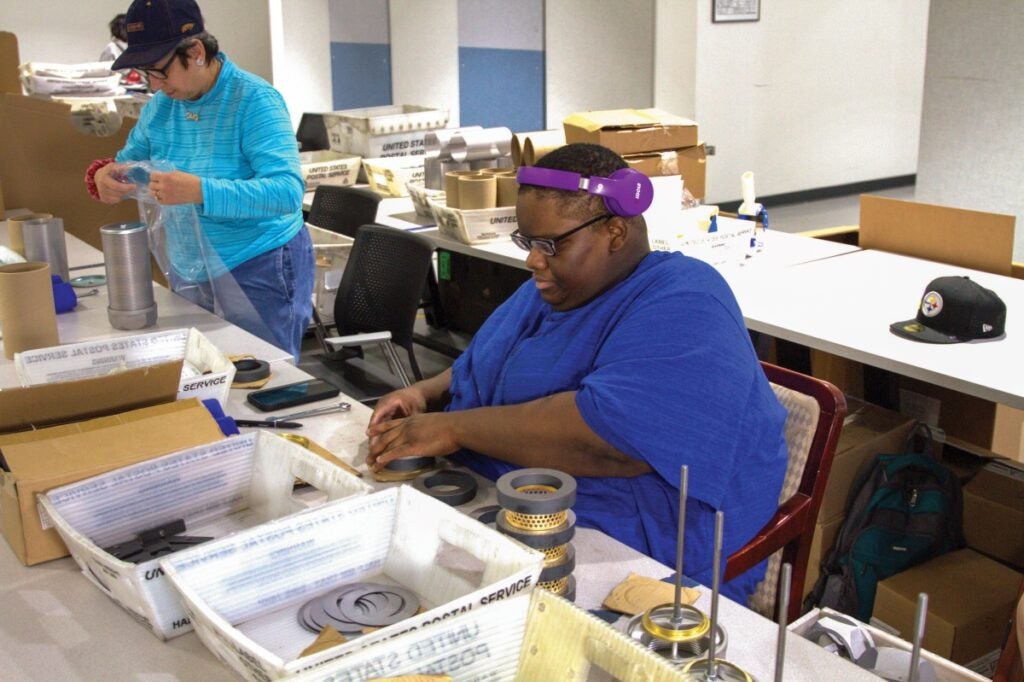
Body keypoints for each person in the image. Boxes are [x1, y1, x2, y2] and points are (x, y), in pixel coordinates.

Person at [366, 143, 789, 602]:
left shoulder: (686, 298)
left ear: (614, 231)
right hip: (515, 496)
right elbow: (490, 361)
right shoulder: (556, 289)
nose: (533, 260)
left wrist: (453, 429)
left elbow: (609, 442)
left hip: (637, 545)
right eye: (527, 242)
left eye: (551, 244)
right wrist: (427, 394)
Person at [85, 0, 313, 359]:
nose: (156, 86)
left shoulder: (255, 100)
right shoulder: (162, 107)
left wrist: (199, 191)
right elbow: (131, 165)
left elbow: (286, 192)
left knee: (266, 378)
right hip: (191, 263)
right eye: (147, 75)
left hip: (257, 263)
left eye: (161, 72)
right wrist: (104, 175)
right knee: (207, 370)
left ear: (196, 52)